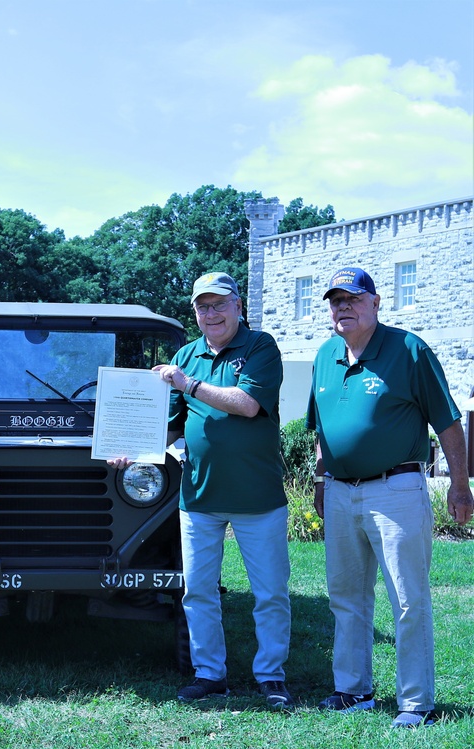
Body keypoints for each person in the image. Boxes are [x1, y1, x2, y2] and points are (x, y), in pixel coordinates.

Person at [108, 272, 292, 708]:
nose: (211, 314)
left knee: (270, 593)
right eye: (202, 307)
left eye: (219, 304)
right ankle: (210, 674)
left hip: (257, 498)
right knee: (198, 591)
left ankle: (271, 676)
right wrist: (131, 448)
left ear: (238, 306)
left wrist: (187, 383)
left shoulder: (260, 346)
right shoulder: (186, 353)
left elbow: (247, 405)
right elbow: (171, 424)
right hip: (198, 497)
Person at [307, 266, 473, 729]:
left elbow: (448, 423)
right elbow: (320, 430)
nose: (344, 307)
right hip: (340, 491)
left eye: (354, 298)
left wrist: (460, 486)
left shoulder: (408, 349)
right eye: (336, 300)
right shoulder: (324, 355)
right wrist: (320, 482)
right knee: (345, 596)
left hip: (396, 489)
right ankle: (352, 690)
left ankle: (416, 702)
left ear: (376, 303)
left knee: (407, 597)